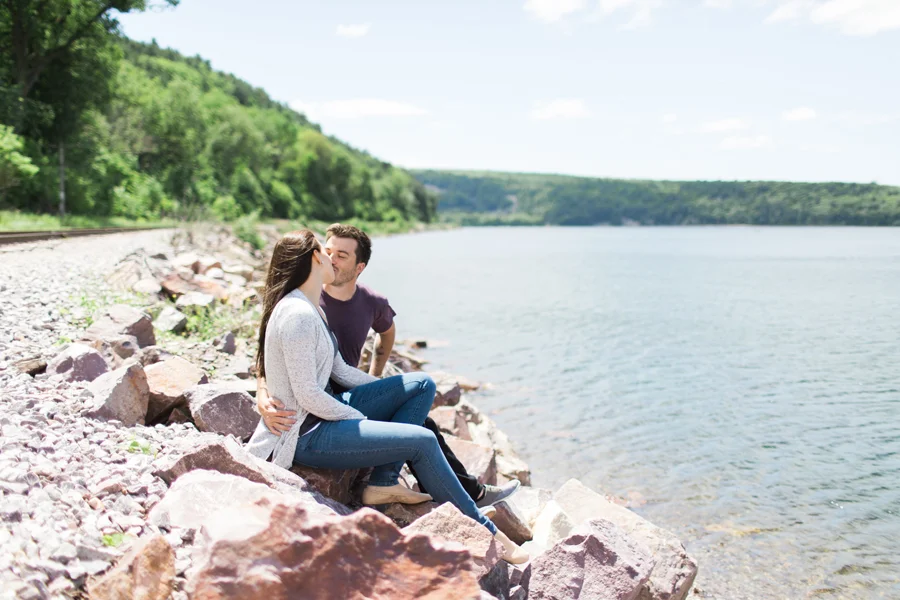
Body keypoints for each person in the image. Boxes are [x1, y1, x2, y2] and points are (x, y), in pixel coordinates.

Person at [245, 229, 528, 564]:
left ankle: (382, 481)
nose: (332, 256)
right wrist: (361, 419)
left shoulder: (311, 308)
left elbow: (341, 371)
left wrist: (386, 394)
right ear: (313, 259)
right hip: (305, 433)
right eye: (326, 250)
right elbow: (307, 393)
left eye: (341, 253)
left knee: (420, 384)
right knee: (421, 440)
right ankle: (487, 533)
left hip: (322, 415)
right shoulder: (298, 316)